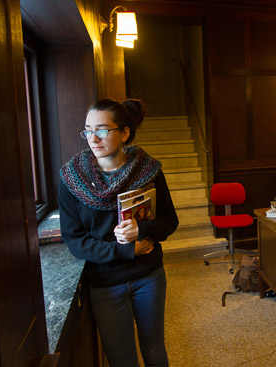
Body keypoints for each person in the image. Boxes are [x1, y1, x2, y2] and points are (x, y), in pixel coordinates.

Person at [58, 98, 179, 367]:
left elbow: (170, 221)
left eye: (102, 130)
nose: (93, 138)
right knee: (122, 360)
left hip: (148, 275)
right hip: (105, 282)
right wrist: (126, 249)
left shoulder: (149, 170)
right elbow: (76, 241)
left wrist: (143, 229)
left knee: (155, 353)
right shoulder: (72, 179)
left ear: (124, 133)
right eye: (88, 130)